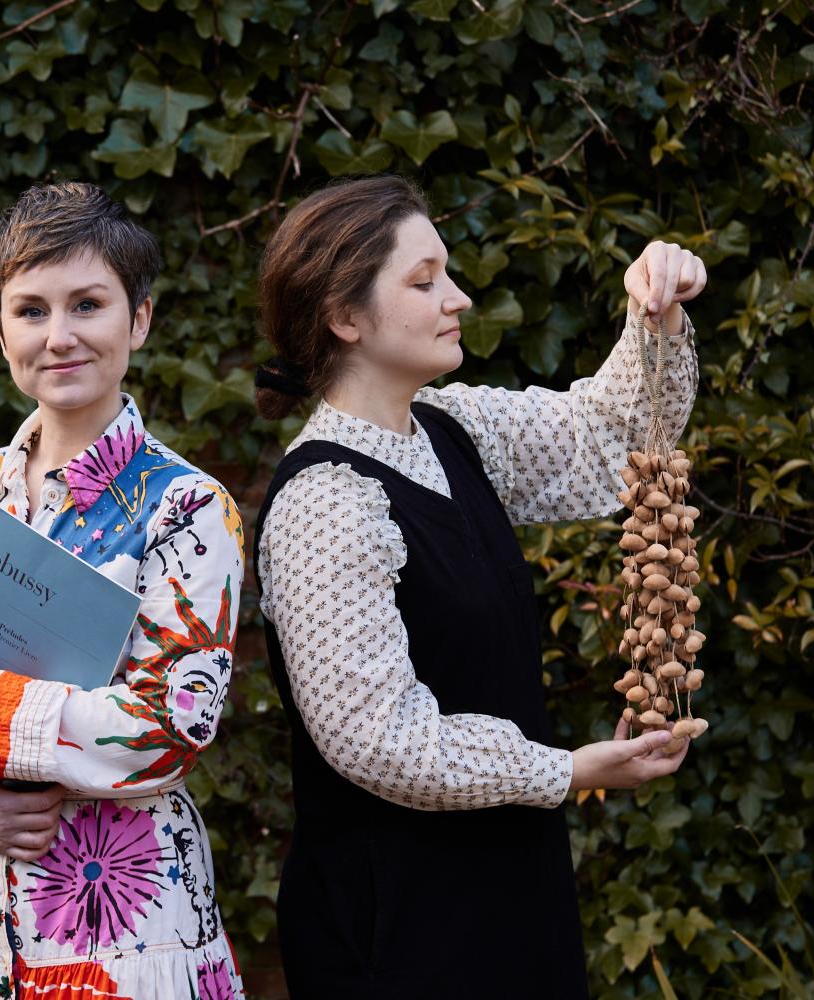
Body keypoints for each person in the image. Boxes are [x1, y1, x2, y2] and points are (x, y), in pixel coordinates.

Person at [252, 175, 704, 997]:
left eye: (448, 273)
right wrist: (566, 770)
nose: (457, 298)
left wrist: (657, 311)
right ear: (344, 315)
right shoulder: (323, 501)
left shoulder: (451, 428)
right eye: (424, 282)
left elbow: (609, 436)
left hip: (507, 886)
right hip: (399, 923)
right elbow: (377, 737)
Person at [0, 181, 246, 1000]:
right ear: (0, 329)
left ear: (139, 318)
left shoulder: (187, 508)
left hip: (129, 939)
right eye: (31, 310)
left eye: (88, 304)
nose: (59, 336)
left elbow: (172, 727)